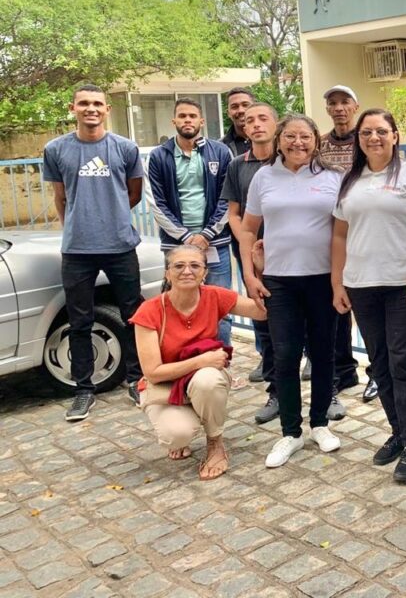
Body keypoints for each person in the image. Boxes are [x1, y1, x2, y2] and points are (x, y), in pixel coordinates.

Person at [332, 109, 406, 483]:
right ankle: (398, 432)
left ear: (395, 135)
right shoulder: (350, 180)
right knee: (380, 364)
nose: (373, 138)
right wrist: (337, 283)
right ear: (358, 139)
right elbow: (340, 235)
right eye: (366, 132)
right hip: (362, 285)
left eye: (381, 131)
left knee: (405, 363)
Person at [239, 114, 343, 468]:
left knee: (323, 353)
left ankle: (320, 424)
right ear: (279, 140)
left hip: (323, 278)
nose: (298, 143)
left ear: (316, 140)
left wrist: (341, 280)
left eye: (305, 136)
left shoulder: (332, 177)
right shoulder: (263, 177)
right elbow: (248, 229)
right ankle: (291, 432)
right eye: (291, 136)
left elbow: (343, 230)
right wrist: (250, 275)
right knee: (284, 356)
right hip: (279, 280)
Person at [43, 83, 146, 419]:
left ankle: (137, 379)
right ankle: (84, 389)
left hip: (120, 245)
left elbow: (134, 194)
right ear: (73, 108)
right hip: (77, 250)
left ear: (107, 109)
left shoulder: (125, 148)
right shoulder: (56, 149)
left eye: (97, 103)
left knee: (134, 316)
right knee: (79, 320)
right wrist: (77, 227)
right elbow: (60, 197)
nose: (91, 109)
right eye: (84, 103)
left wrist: (110, 218)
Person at [132, 244, 267, 480]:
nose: (187, 271)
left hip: (202, 380)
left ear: (204, 272)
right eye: (179, 266)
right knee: (176, 436)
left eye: (195, 265)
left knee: (208, 379)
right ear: (167, 273)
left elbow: (262, 312)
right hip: (166, 385)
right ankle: (187, 422)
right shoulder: (149, 311)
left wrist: (260, 272)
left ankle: (215, 442)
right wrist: (201, 360)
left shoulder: (214, 296)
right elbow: (152, 372)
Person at [146, 97, 234, 348]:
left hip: (214, 242)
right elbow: (156, 202)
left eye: (192, 116)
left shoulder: (220, 152)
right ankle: (183, 361)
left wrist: (207, 234)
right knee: (177, 305)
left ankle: (221, 360)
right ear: (174, 120)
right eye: (182, 116)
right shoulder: (158, 156)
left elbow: (228, 197)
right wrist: (186, 238)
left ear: (201, 121)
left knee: (220, 306)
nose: (187, 120)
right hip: (176, 245)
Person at [221, 102, 283, 424]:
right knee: (265, 322)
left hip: (292, 256)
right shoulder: (237, 165)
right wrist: (247, 239)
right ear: (243, 129)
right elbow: (234, 213)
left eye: (263, 118)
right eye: (249, 121)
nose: (256, 124)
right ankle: (276, 392)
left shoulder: (290, 160)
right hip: (254, 257)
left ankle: (326, 391)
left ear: (276, 123)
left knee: (309, 324)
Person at [320, 84, 377, 403]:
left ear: (355, 106)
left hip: (367, 230)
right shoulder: (319, 145)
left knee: (369, 306)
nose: (339, 108)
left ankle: (377, 373)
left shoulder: (367, 139)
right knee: (337, 302)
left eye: (345, 102)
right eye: (333, 103)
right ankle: (343, 369)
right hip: (334, 232)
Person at [220, 87, 255, 156]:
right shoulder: (219, 147)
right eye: (234, 107)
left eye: (245, 105)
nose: (241, 110)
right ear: (228, 113)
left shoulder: (273, 141)